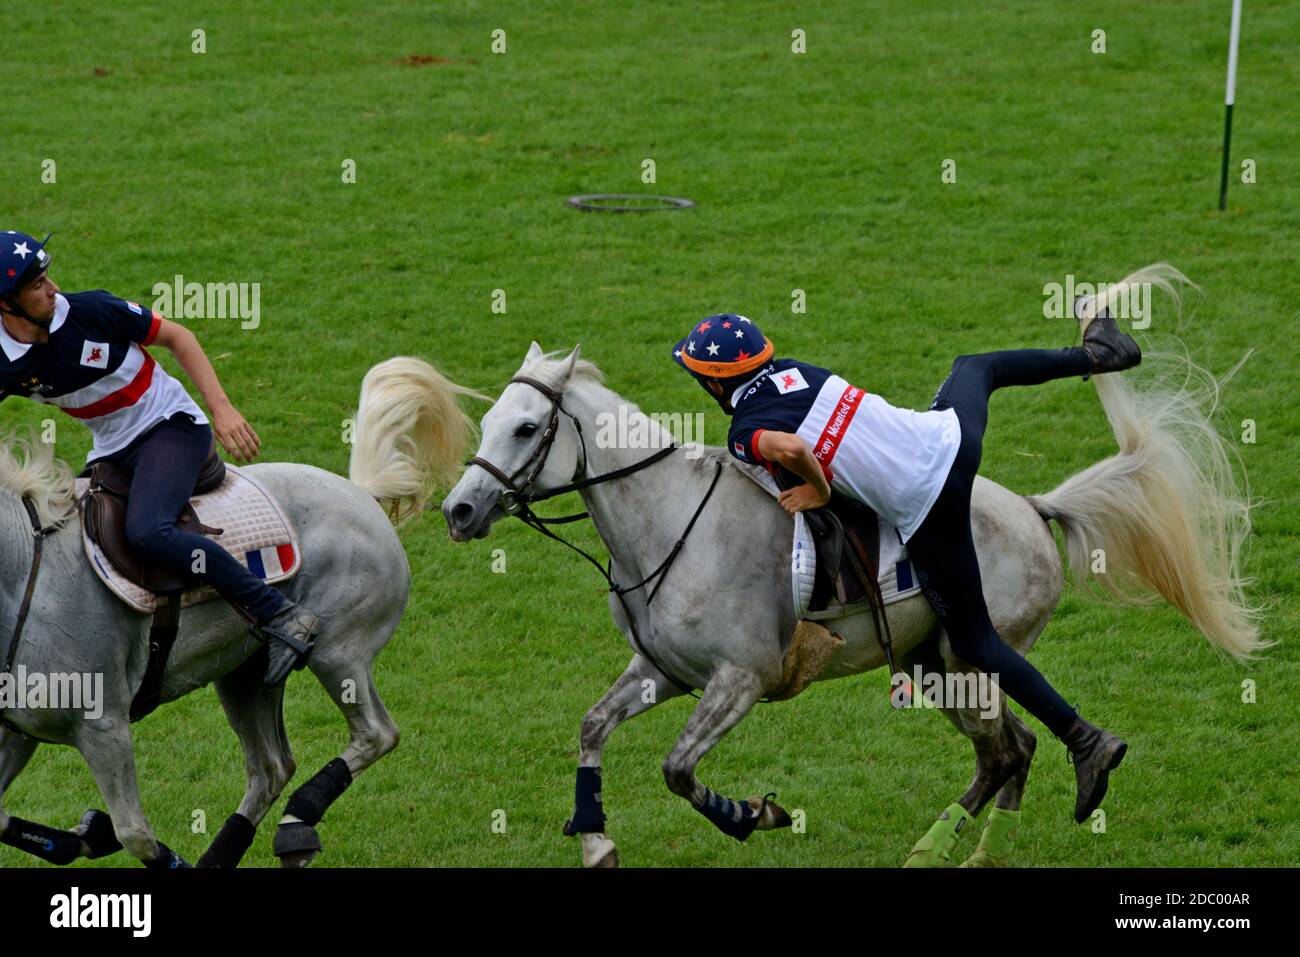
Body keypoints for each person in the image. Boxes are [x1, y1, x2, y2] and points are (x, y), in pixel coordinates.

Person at [672, 304, 1134, 823]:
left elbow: (793, 446)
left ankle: (1084, 738)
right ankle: (1100, 353)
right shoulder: (793, 372)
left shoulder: (745, 427)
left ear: (713, 384)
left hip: (930, 504)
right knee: (976, 368)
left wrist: (818, 488)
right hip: (950, 438)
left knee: (973, 641)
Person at [0, 230, 318, 686]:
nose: (52, 289)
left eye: (48, 277)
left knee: (149, 530)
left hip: (171, 427)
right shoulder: (4, 358)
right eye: (36, 285)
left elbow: (176, 336)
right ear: (6, 303)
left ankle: (280, 613)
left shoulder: (90, 310)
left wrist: (222, 410)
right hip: (110, 448)